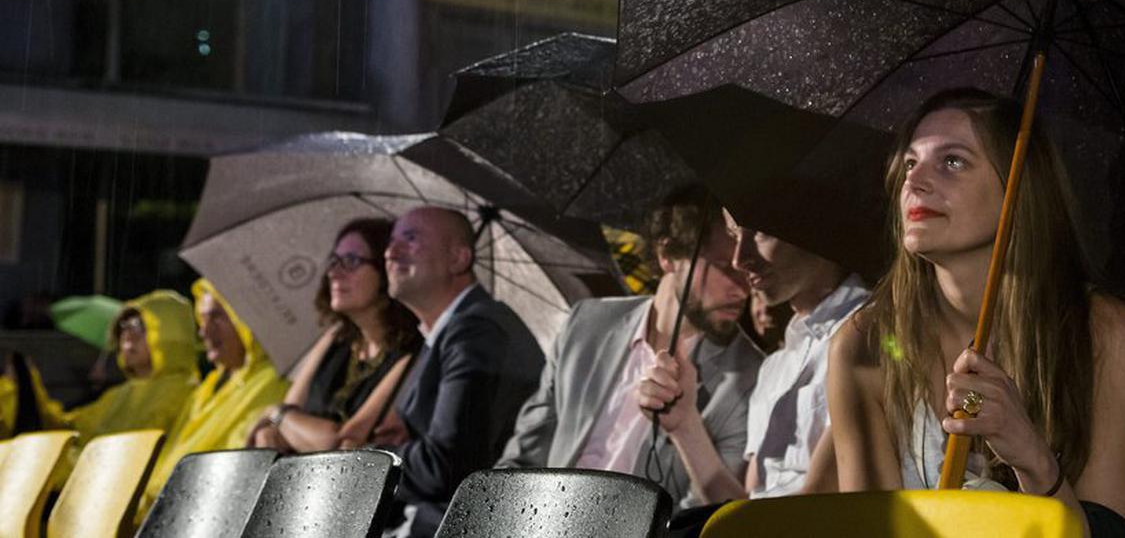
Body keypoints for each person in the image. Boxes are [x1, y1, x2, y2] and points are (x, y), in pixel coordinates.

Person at [827, 88, 1125, 535]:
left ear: (1019, 187)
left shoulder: (1104, 332)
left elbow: (1110, 531)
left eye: (952, 161)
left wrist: (1031, 458)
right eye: (909, 163)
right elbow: (865, 529)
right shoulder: (864, 344)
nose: (915, 182)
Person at [497, 186, 763, 510]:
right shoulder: (587, 323)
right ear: (668, 255)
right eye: (724, 267)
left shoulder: (750, 377)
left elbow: (708, 517)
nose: (742, 288)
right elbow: (526, 452)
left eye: (746, 270)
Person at [374, 206, 544, 538]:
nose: (390, 252)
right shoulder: (443, 334)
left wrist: (371, 460)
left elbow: (444, 465)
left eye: (410, 238)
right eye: (391, 241)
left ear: (458, 259)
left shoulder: (477, 330)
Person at [727, 211, 869, 498]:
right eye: (733, 235)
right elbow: (754, 490)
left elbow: (823, 493)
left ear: (812, 228)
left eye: (759, 233)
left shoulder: (872, 330)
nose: (739, 258)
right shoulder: (774, 367)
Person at [249, 218, 421, 452]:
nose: (335, 273)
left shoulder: (411, 350)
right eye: (334, 260)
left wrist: (275, 414)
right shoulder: (335, 337)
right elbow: (278, 423)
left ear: (386, 269)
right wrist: (280, 422)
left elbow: (344, 443)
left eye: (351, 261)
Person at [139, 279, 288, 516]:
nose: (204, 331)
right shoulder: (208, 387)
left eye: (217, 317)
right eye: (202, 319)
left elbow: (236, 461)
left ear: (245, 320)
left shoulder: (271, 381)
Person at [10, 290, 199, 444]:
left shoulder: (184, 393)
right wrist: (28, 384)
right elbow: (69, 427)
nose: (128, 334)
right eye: (125, 325)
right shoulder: (121, 394)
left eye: (140, 325)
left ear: (171, 334)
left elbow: (127, 456)